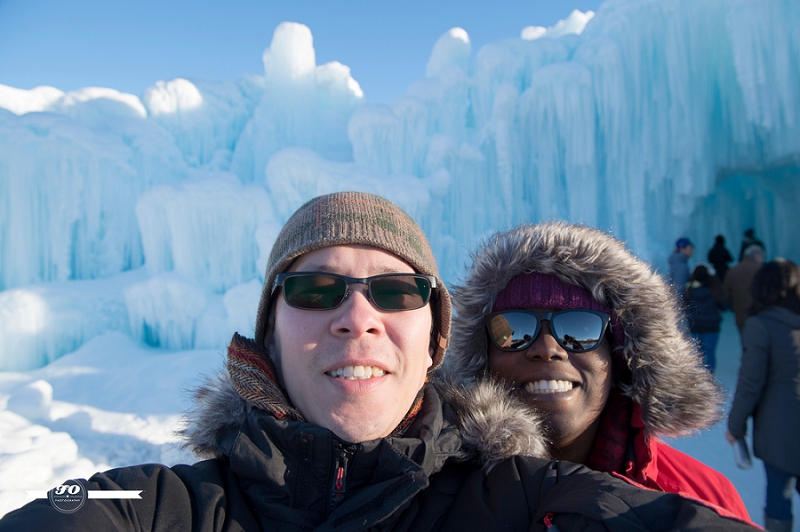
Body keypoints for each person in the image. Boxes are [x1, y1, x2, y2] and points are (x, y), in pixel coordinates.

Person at [0, 192, 759, 532]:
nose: (356, 315)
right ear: (268, 333)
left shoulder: (517, 499)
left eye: (396, 291)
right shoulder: (177, 505)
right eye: (313, 287)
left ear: (435, 344)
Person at [443, 221, 753, 524]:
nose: (548, 348)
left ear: (619, 358)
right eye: (514, 328)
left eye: (580, 328)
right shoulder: (435, 495)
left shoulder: (704, 500)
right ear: (484, 359)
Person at [726, 259, 800, 532]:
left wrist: (735, 425)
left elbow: (750, 382)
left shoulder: (762, 325)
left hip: (782, 431)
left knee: (780, 497)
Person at [685, 262, 725, 371]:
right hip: (712, 326)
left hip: (696, 325)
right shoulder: (715, 290)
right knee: (710, 352)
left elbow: (684, 305)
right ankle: (709, 378)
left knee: (698, 353)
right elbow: (724, 305)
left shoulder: (689, 290)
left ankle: (699, 379)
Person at [725, 244, 766, 336]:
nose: (764, 259)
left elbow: (727, 293)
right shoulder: (762, 270)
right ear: (756, 255)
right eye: (763, 256)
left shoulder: (733, 271)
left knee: (746, 344)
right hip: (760, 315)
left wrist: (734, 306)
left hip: (741, 315)